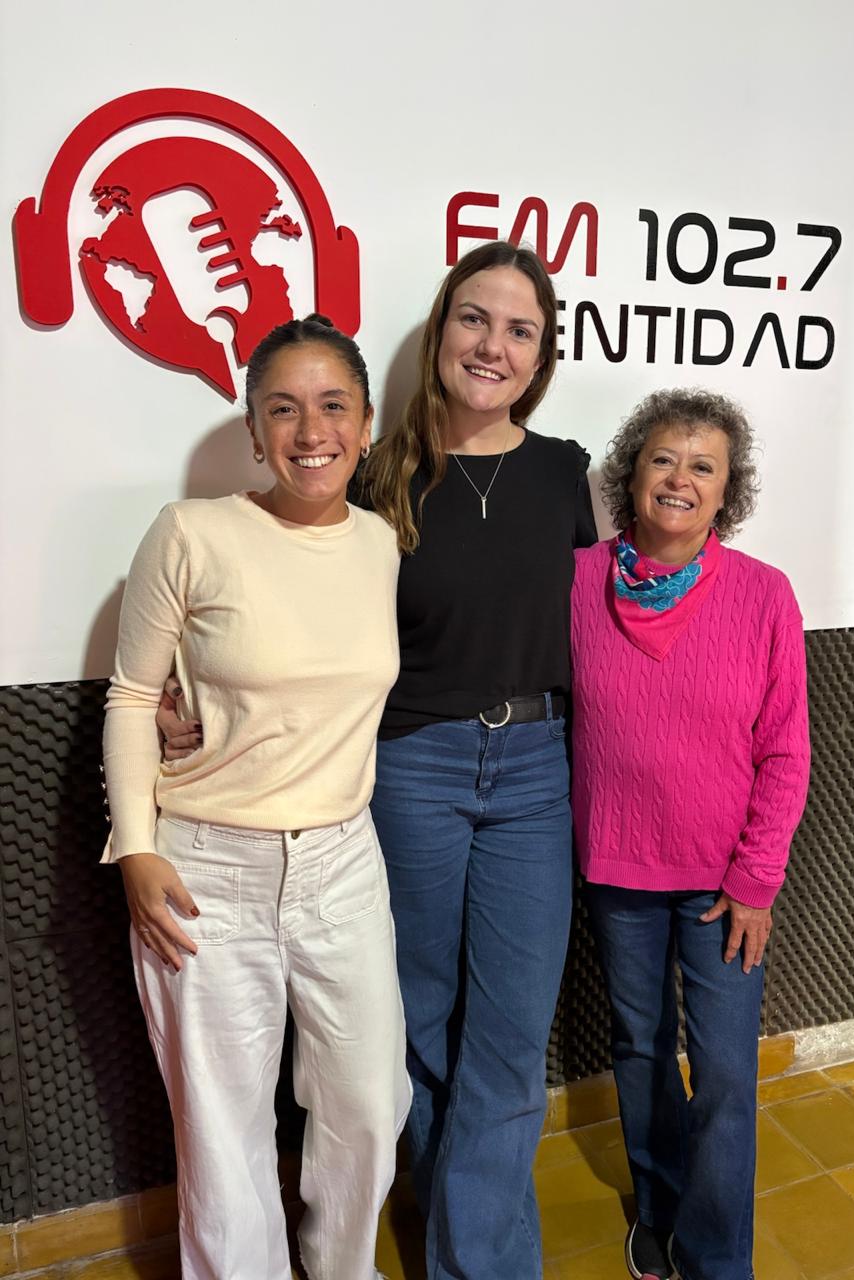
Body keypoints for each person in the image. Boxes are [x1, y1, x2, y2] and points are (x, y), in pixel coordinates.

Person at [161, 242, 597, 1280]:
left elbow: (595, 631)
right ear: (441, 330)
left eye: (520, 329)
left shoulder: (565, 472)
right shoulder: (375, 468)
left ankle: (478, 1260)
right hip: (409, 768)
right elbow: (292, 601)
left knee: (509, 1035)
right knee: (415, 1024)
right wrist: (190, 691)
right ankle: (442, 1216)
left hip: (536, 769)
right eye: (474, 318)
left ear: (542, 355)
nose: (492, 345)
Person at [103, 315, 410, 1280]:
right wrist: (136, 846)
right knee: (223, 1131)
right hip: (206, 870)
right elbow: (133, 696)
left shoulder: (379, 543)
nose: (310, 431)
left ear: (366, 425)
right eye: (283, 408)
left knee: (370, 1106)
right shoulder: (191, 532)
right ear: (252, 428)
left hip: (343, 861)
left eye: (333, 406)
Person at [569, 389, 810, 1280]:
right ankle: (658, 1205)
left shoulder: (764, 595)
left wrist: (756, 881)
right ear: (632, 475)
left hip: (724, 885)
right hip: (618, 868)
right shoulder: (577, 581)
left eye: (703, 466)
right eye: (663, 459)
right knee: (639, 1048)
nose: (680, 479)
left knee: (726, 1075)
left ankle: (714, 1258)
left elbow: (786, 749)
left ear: (725, 490)